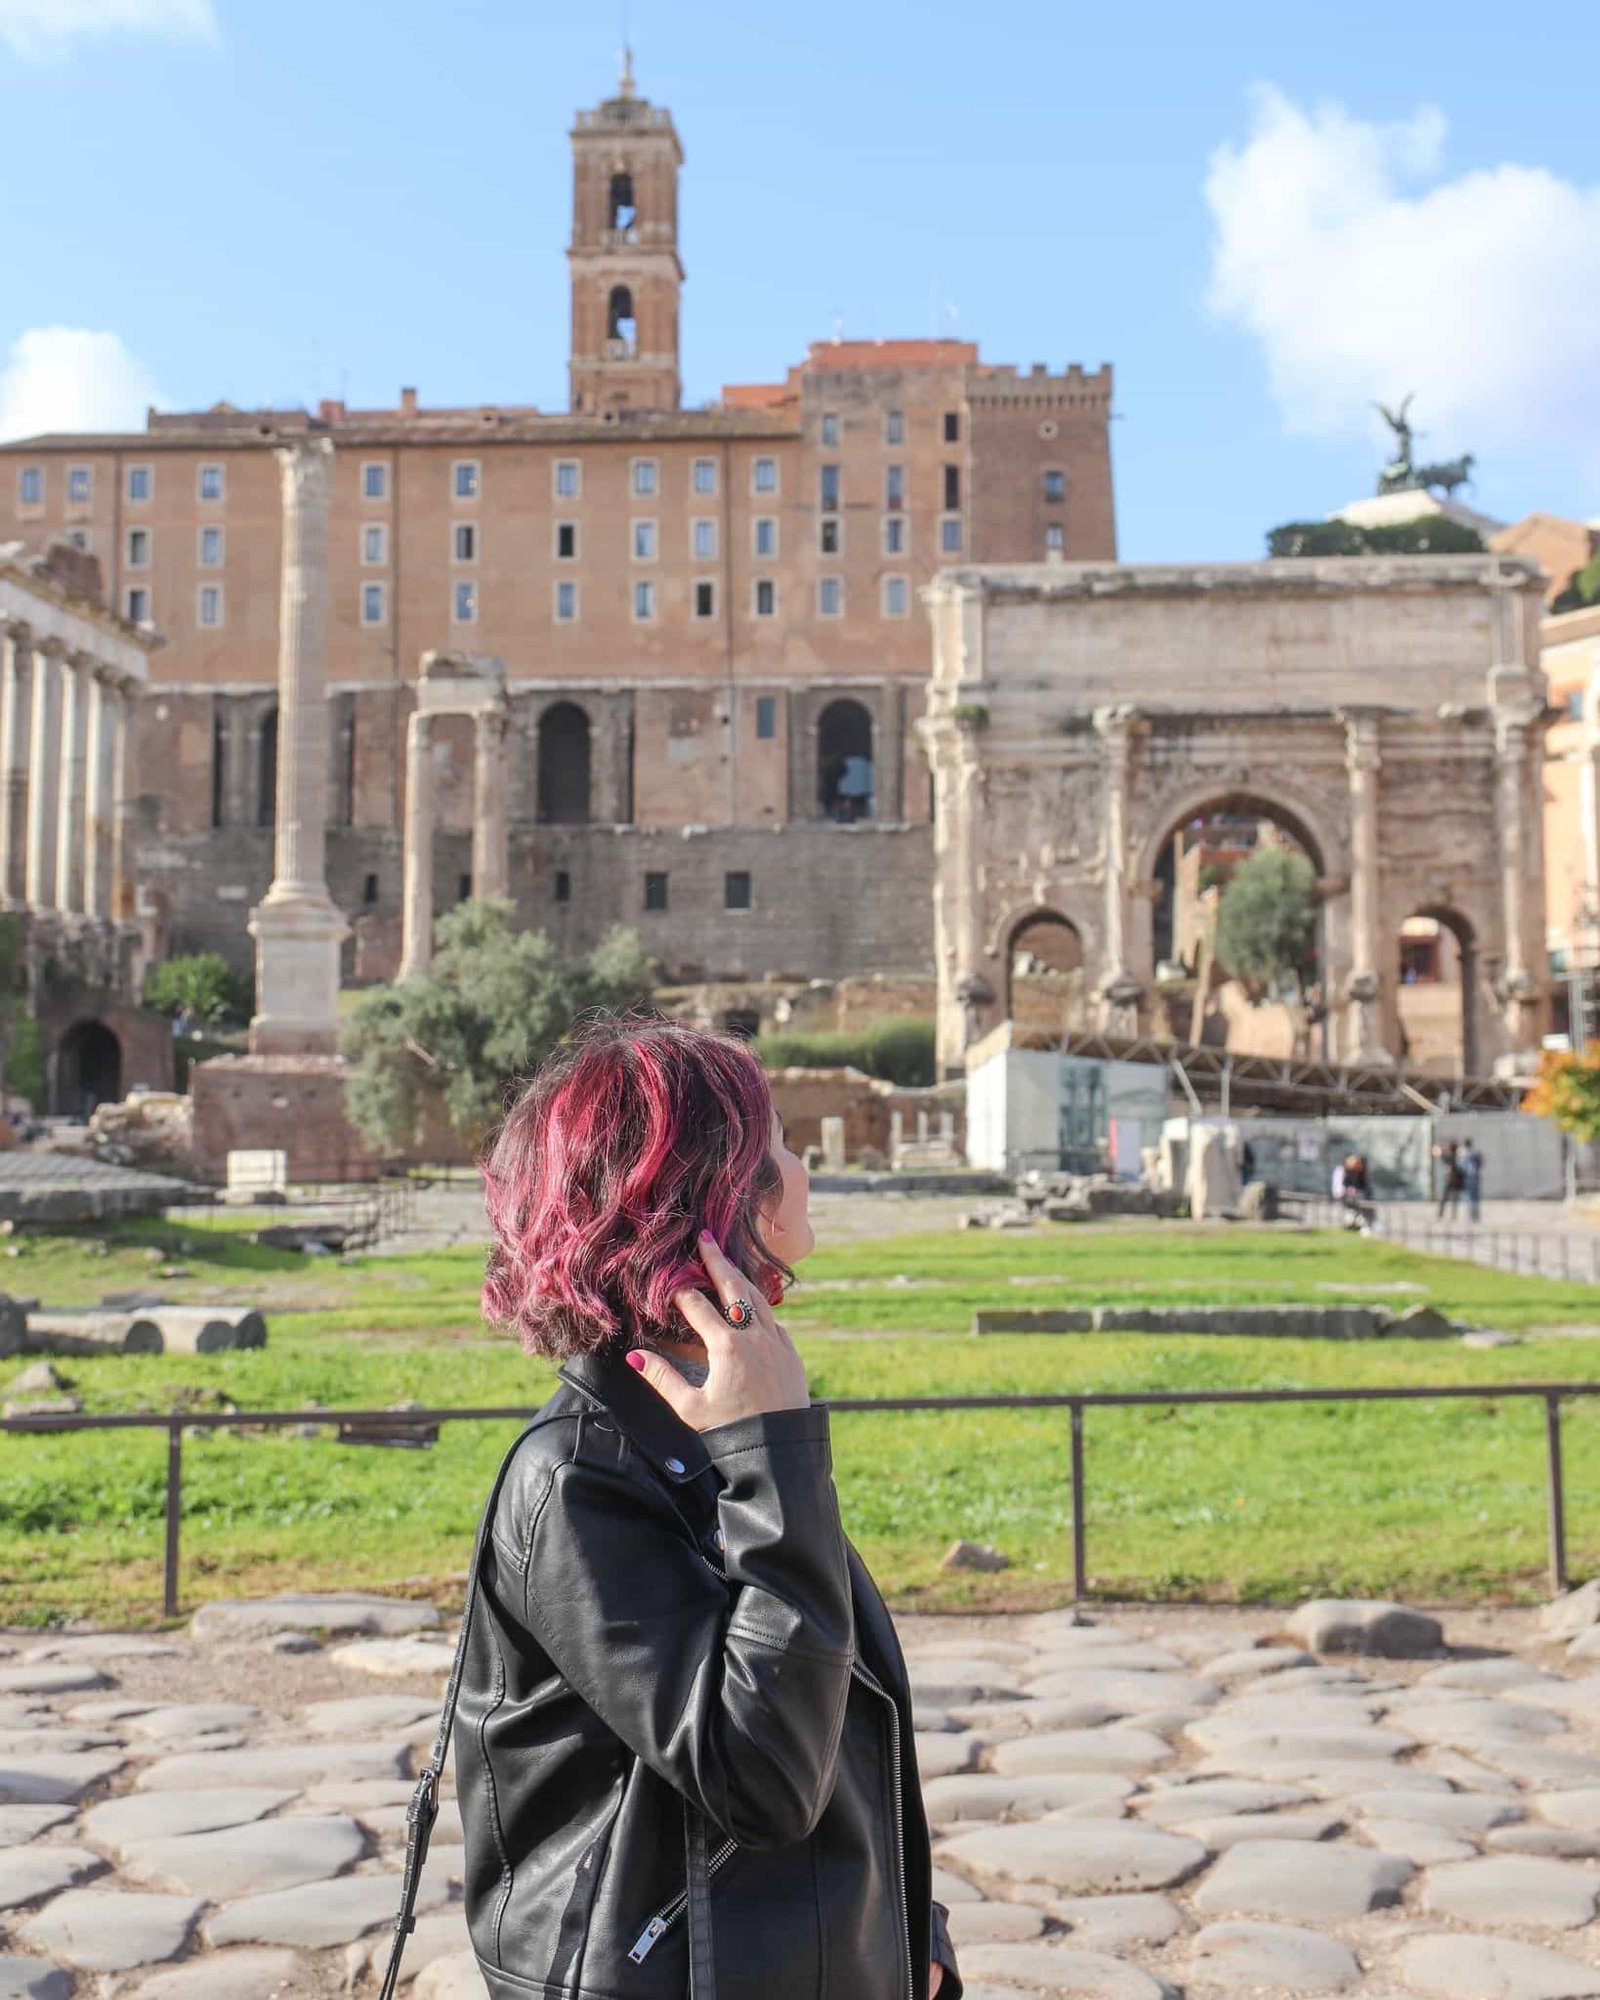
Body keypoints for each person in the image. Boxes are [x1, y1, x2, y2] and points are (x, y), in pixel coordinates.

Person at [435, 1019, 961, 2000]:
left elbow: (830, 1715)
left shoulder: (704, 1431)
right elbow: (760, 1777)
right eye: (779, 1146)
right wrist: (774, 1455)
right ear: (711, 1194)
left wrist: (903, 1929)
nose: (803, 1168)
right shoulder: (580, 1481)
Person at [1435, 1139, 1464, 1221]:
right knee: (1451, 1199)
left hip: (1451, 1180)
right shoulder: (1454, 1156)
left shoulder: (1452, 1157)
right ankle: (1450, 1215)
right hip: (1453, 1180)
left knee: (1446, 1198)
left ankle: (1442, 1215)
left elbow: (1441, 1154)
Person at [1459, 1137, 1483, 1224]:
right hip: (1475, 1176)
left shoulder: (1463, 1153)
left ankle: (1470, 1216)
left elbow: (1461, 1166)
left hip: (1467, 1177)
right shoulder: (1475, 1152)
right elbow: (1480, 1162)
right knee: (1475, 1197)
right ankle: (1476, 1217)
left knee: (1469, 1196)